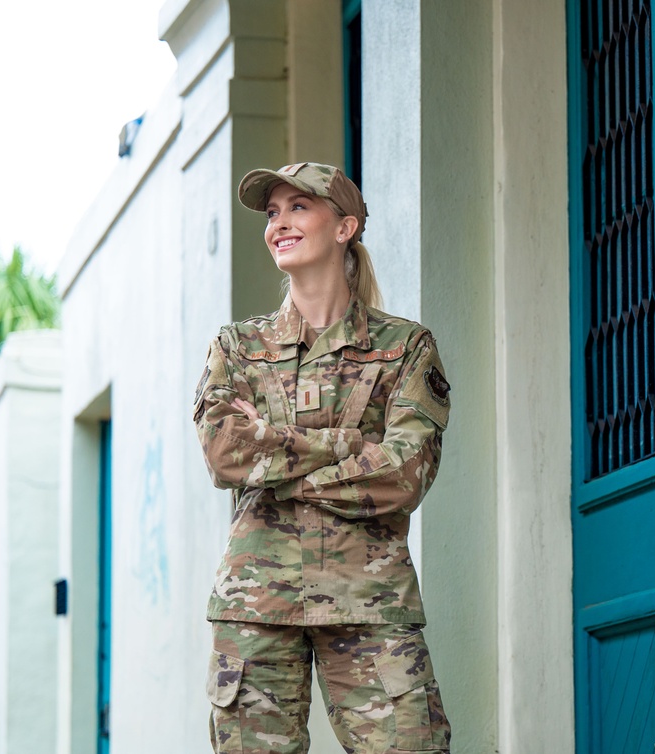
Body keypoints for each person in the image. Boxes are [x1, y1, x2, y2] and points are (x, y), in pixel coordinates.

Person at [193, 162, 452, 754]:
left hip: (371, 600)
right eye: (271, 212)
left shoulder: (405, 347)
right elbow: (225, 454)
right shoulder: (236, 347)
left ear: (345, 227)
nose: (279, 223)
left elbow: (404, 474)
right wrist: (346, 445)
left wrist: (277, 460)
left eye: (298, 207)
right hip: (256, 605)